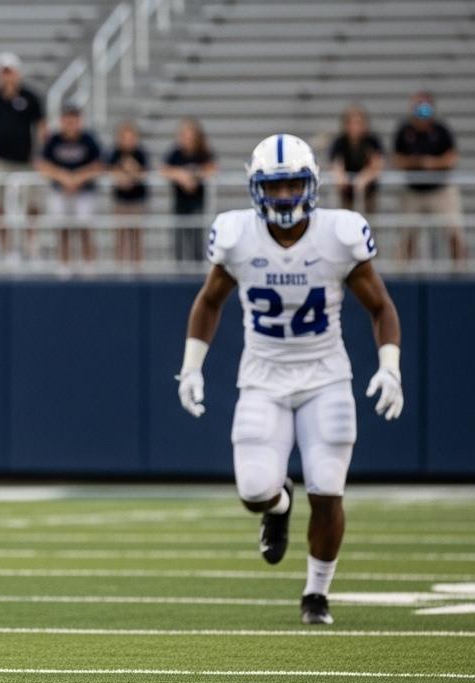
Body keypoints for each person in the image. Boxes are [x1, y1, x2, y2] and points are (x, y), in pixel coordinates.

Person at [176, 134, 403, 626]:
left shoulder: (339, 234)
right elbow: (209, 301)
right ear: (256, 188)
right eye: (274, 187)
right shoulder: (237, 235)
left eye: (292, 185)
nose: (283, 197)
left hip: (326, 377)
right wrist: (191, 366)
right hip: (263, 377)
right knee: (254, 490)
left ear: (311, 184)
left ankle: (316, 593)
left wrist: (390, 366)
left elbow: (381, 306)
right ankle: (279, 505)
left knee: (328, 490)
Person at [0, 52, 45, 259]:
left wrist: (40, 154)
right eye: (3, 72)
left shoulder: (30, 97)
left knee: (31, 203)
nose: (7, 77)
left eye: (10, 72)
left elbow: (41, 127)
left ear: (17, 73)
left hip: (25, 161)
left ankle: (30, 243)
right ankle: (6, 247)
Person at [393, 91, 464, 262]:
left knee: (454, 233)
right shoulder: (404, 131)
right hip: (413, 191)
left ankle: (460, 270)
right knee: (407, 236)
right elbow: (396, 160)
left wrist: (432, 163)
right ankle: (401, 272)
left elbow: (452, 158)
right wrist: (415, 162)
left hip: (440, 190)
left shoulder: (441, 130)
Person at [36, 105, 104, 263]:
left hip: (84, 191)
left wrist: (78, 178)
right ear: (62, 121)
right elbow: (42, 164)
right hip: (60, 191)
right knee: (62, 229)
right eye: (68, 121)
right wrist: (63, 177)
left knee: (85, 228)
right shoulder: (54, 140)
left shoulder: (89, 140)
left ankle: (88, 264)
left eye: (74, 121)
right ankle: (64, 263)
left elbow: (99, 165)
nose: (71, 125)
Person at [159, 118, 217, 262]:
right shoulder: (176, 153)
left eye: (190, 135)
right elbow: (164, 169)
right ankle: (179, 266)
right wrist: (180, 176)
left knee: (196, 236)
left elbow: (212, 168)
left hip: (197, 202)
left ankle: (196, 264)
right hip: (180, 202)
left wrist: (194, 176)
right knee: (179, 236)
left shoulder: (202, 152)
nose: (187, 139)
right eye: (184, 135)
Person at [107, 121, 149, 264]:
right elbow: (110, 170)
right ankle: (119, 264)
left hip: (137, 200)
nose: (128, 141)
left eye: (131, 137)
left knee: (136, 234)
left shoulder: (140, 153)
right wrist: (122, 175)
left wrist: (132, 171)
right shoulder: (115, 153)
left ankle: (137, 265)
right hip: (120, 200)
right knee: (120, 234)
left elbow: (144, 172)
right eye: (125, 137)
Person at [328, 104, 383, 215]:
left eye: (358, 123)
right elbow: (336, 164)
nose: (355, 127)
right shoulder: (340, 142)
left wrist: (364, 177)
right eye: (351, 123)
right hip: (346, 193)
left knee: (368, 219)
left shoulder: (372, 141)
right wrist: (341, 177)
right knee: (345, 219)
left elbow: (377, 164)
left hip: (368, 192)